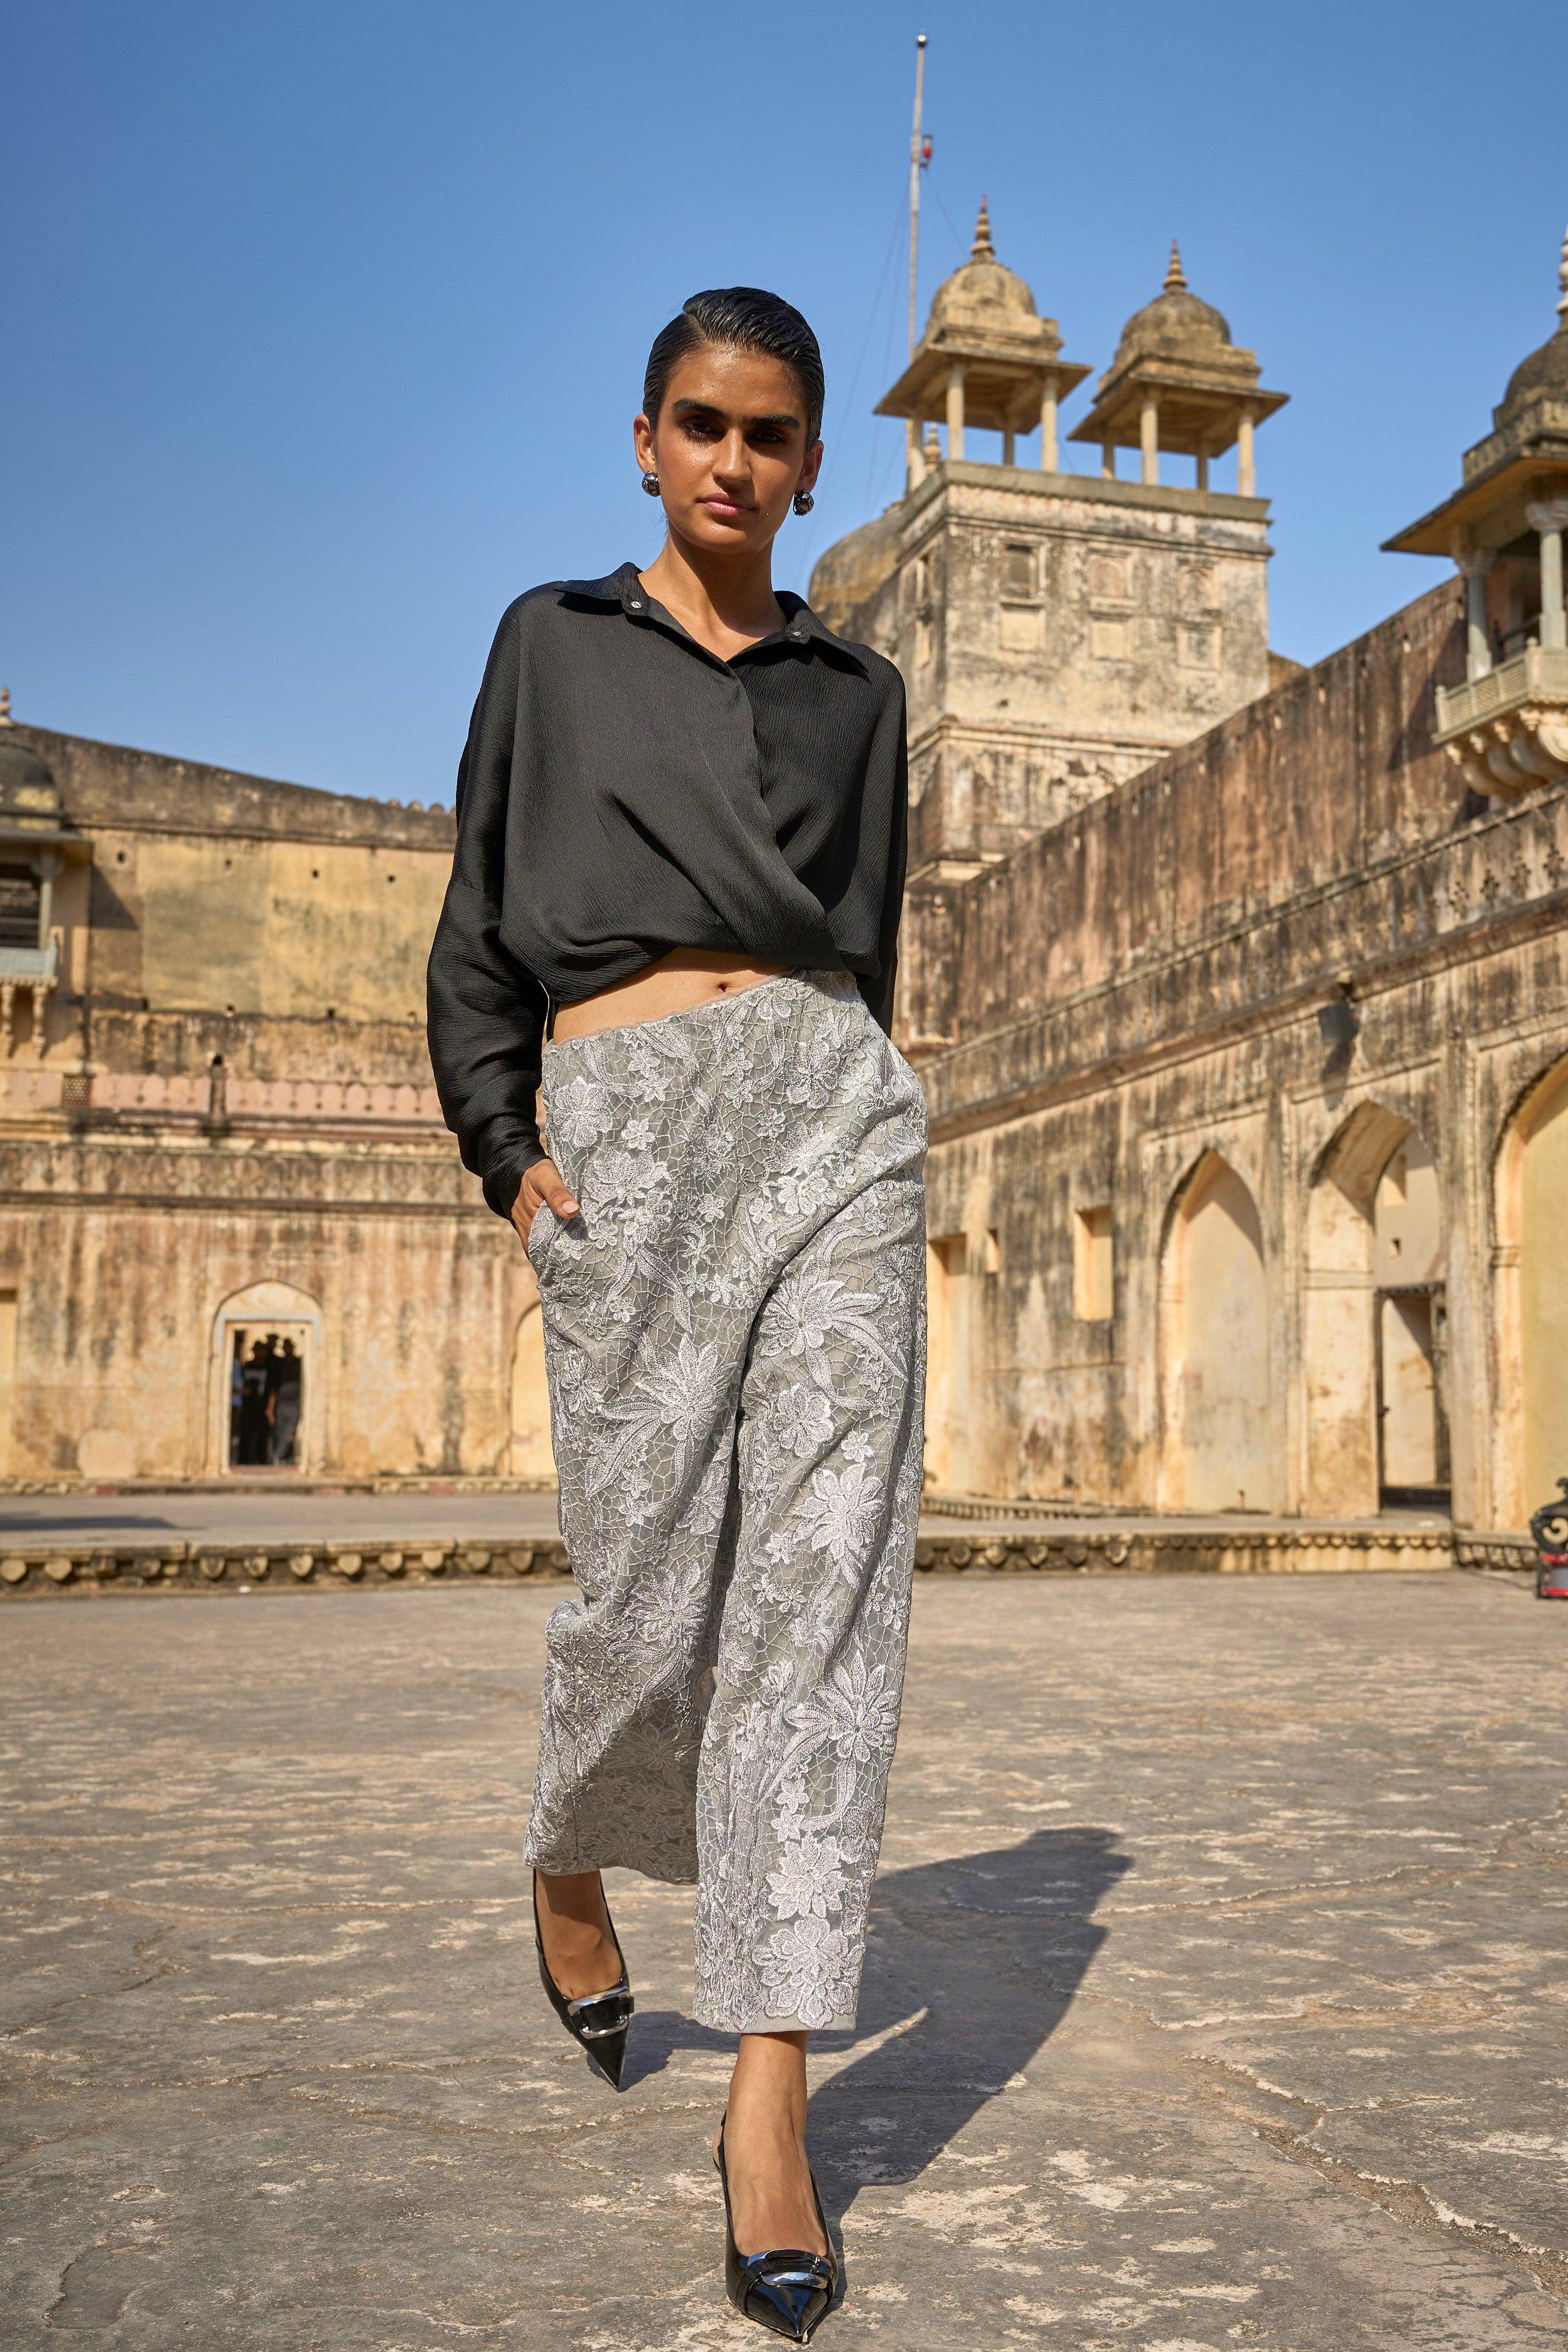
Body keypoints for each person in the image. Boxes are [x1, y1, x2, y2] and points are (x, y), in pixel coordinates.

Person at [427, 287, 925, 2342]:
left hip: (831, 1126)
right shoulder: (553, 645)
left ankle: (769, 2096)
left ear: (809, 463)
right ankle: (568, 1855)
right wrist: (502, 1142)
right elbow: (477, 922)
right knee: (640, 1592)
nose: (734, 460)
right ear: (646, 441)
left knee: (822, 1597)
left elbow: (865, 950)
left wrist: (861, 1092)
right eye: (702, 424)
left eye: (771, 432)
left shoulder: (859, 693)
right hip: (625, 1130)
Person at [268, 1339, 302, 1467]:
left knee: (290, 1434)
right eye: (285, 1347)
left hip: (295, 1404)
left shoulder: (299, 1363)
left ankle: (278, 1457)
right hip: (281, 1404)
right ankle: (281, 1459)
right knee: (280, 1433)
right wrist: (270, 1409)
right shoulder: (280, 1365)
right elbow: (274, 1389)